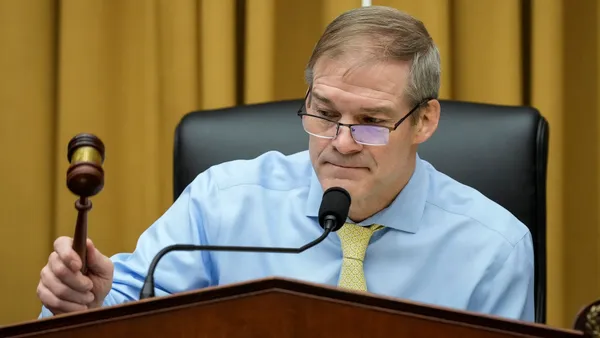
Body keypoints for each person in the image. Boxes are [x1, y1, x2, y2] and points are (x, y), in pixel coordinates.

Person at [37, 6, 534, 321]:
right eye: (324, 112)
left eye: (370, 121)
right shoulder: (222, 202)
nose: (341, 143)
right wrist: (87, 304)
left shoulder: (494, 247)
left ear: (424, 122)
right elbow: (126, 310)